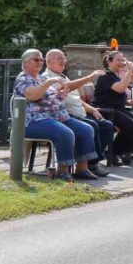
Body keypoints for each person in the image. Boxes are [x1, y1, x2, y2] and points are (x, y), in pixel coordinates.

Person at [13, 49, 99, 182]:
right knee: (65, 133)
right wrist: (48, 82)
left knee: (86, 129)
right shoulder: (23, 79)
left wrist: (60, 95)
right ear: (26, 62)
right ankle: (62, 171)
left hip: (56, 117)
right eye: (36, 59)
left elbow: (52, 97)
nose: (40, 62)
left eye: (41, 60)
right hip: (34, 121)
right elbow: (33, 95)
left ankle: (82, 169)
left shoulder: (41, 78)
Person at [43, 49, 114, 177]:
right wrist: (89, 78)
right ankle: (88, 165)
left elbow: (76, 99)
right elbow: (66, 87)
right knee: (92, 126)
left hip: (80, 113)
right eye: (59, 58)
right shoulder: (47, 77)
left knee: (107, 125)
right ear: (49, 61)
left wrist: (92, 109)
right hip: (66, 115)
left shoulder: (63, 76)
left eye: (64, 58)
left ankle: (92, 162)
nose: (63, 61)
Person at [93, 51, 133, 165]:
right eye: (118, 60)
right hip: (105, 110)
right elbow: (120, 89)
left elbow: (124, 94)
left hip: (118, 109)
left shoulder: (118, 76)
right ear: (109, 62)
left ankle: (127, 150)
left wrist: (132, 100)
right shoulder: (105, 77)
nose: (121, 62)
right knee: (131, 124)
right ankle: (113, 152)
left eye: (122, 60)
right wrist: (129, 72)